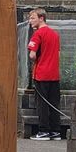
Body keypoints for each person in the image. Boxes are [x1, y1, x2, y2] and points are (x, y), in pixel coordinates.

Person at [27, 7, 63, 139]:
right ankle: (56, 131)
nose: (30, 21)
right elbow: (58, 54)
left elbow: (32, 55)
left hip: (41, 74)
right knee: (54, 103)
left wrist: (36, 58)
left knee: (42, 103)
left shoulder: (37, 34)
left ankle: (43, 131)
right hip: (54, 74)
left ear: (41, 18)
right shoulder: (55, 34)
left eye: (32, 18)